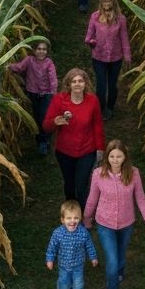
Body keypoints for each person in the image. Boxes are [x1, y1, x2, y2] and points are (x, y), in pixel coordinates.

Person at [83, 140, 145, 289]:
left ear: (125, 157)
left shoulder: (134, 173)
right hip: (105, 224)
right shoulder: (98, 174)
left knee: (121, 257)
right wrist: (86, 219)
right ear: (107, 157)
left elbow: (141, 199)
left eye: (119, 156)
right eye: (112, 156)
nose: (115, 160)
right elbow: (92, 198)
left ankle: (118, 274)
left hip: (126, 224)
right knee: (113, 262)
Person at [43, 68, 105, 209]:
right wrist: (55, 121)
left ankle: (82, 213)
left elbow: (98, 126)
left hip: (86, 150)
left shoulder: (92, 100)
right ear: (68, 84)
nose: (77, 84)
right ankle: (71, 212)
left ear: (85, 83)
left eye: (80, 81)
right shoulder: (59, 100)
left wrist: (100, 148)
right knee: (69, 185)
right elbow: (46, 126)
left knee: (81, 185)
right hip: (64, 151)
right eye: (74, 81)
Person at [46, 199, 98, 289]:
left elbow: (89, 245)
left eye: (76, 218)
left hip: (78, 266)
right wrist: (50, 259)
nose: (72, 221)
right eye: (69, 218)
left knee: (78, 287)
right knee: (64, 285)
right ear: (62, 220)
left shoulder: (83, 232)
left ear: (80, 218)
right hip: (64, 266)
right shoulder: (58, 233)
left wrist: (93, 257)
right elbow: (52, 247)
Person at [85, 0, 131, 121]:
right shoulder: (95, 17)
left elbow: (124, 38)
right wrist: (92, 42)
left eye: (109, 2)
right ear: (101, 3)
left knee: (112, 85)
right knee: (101, 85)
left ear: (113, 3)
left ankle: (110, 108)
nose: (106, 4)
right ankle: (101, 109)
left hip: (115, 58)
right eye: (104, 2)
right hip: (98, 57)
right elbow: (89, 36)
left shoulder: (121, 19)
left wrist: (127, 55)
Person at [7, 39, 58, 155]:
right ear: (34, 50)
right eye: (39, 49)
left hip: (46, 95)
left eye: (44, 49)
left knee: (43, 118)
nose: (41, 52)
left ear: (47, 51)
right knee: (37, 117)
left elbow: (53, 79)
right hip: (33, 93)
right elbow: (19, 67)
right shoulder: (29, 61)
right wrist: (8, 66)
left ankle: (43, 141)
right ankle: (42, 138)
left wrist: (53, 93)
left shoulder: (49, 63)